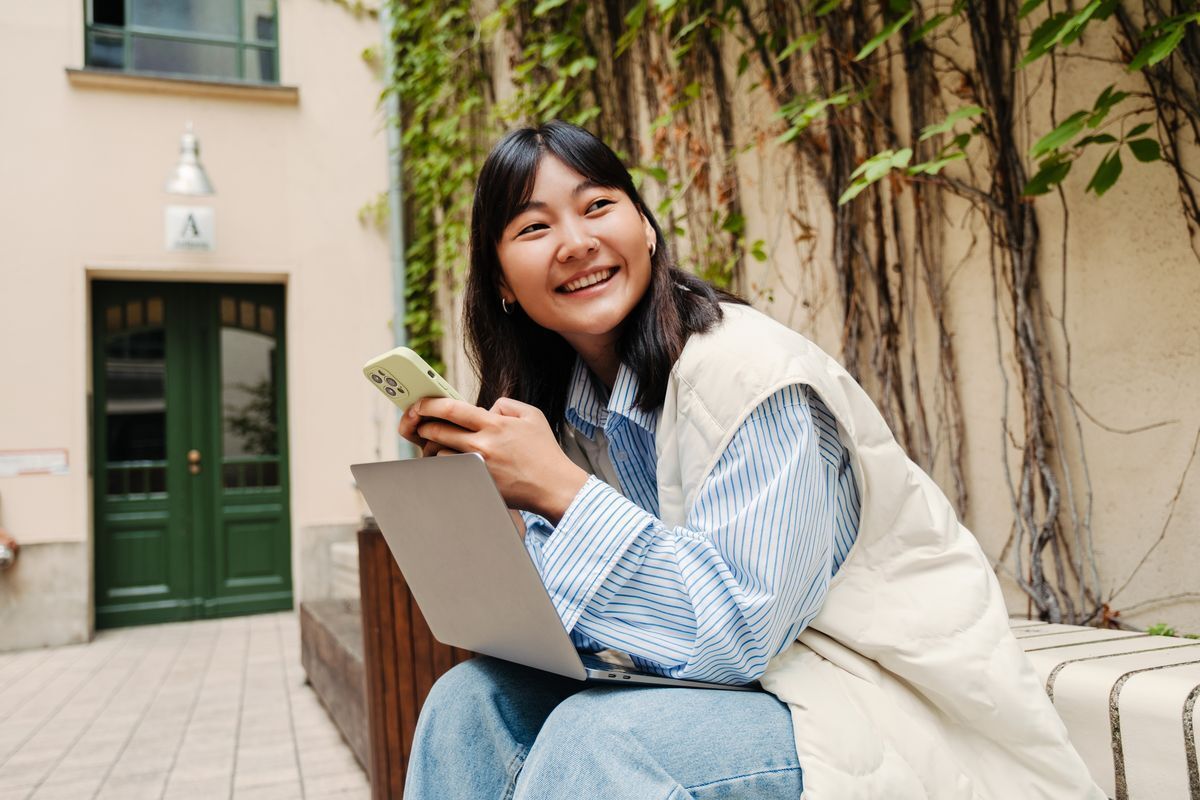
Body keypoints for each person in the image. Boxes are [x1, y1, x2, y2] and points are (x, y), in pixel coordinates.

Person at [397, 121, 1102, 800]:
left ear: (645, 226)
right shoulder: (563, 412)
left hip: (853, 690)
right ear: (499, 281)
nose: (576, 242)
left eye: (598, 206)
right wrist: (497, 520)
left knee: (603, 740)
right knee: (471, 706)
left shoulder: (751, 374)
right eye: (534, 227)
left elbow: (736, 638)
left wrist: (561, 493)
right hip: (720, 693)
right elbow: (576, 629)